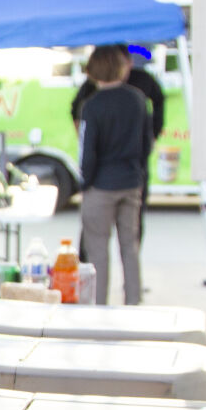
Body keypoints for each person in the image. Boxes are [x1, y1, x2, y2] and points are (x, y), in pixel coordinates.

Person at [76, 43, 153, 305]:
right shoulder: (138, 99)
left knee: (98, 251)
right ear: (121, 68)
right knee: (130, 248)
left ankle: (99, 307)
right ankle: (133, 303)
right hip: (131, 183)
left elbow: (87, 151)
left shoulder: (91, 106)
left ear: (93, 70)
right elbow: (147, 144)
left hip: (101, 186)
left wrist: (85, 183)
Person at [72, 43, 165, 244]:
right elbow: (75, 113)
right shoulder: (96, 95)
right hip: (112, 173)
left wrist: (153, 135)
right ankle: (87, 268)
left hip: (127, 173)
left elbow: (159, 102)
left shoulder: (140, 86)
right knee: (97, 239)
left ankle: (96, 271)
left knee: (124, 237)